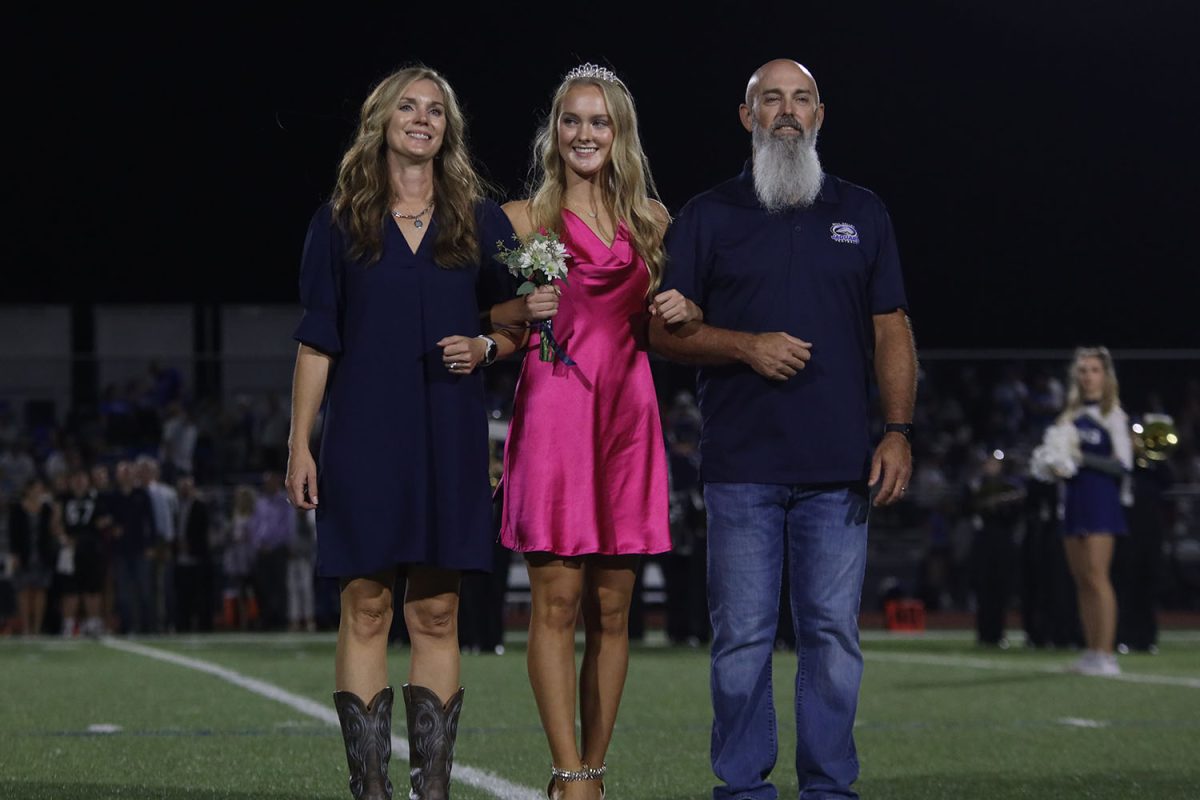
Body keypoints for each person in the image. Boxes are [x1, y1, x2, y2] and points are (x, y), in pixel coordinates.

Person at [648, 59, 917, 799]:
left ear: (821, 114)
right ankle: (742, 788)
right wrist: (745, 345)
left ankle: (829, 787)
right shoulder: (707, 215)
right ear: (748, 117)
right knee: (741, 642)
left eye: (800, 99)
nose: (787, 111)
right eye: (772, 99)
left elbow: (891, 326)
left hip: (839, 469)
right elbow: (661, 334)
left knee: (832, 638)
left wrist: (898, 429)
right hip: (742, 468)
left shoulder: (862, 212)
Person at [285, 63, 536, 800]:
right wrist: (300, 443)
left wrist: (488, 346)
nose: (421, 118)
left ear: (447, 128)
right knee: (365, 605)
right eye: (408, 107)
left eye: (435, 109)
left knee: (437, 608)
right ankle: (371, 789)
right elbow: (316, 339)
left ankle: (432, 791)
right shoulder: (340, 216)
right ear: (382, 121)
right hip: (363, 433)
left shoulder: (478, 218)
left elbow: (523, 318)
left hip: (449, 432)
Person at [495, 62, 701, 799]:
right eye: (572, 120)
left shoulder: (656, 221)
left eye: (599, 121)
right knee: (553, 606)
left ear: (620, 133)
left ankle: (597, 770)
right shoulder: (522, 219)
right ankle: (566, 775)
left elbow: (678, 321)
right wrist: (519, 313)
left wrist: (687, 315)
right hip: (555, 413)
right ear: (555, 130)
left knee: (614, 610)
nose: (585, 133)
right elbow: (487, 321)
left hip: (628, 417)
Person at [1036, 346, 1133, 676]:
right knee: (1081, 580)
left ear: (1105, 376)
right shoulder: (1069, 416)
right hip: (1074, 500)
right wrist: (1053, 465)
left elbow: (1123, 466)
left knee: (1096, 576)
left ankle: (1107, 655)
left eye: (1094, 370)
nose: (1087, 376)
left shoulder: (1113, 415)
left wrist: (1081, 457)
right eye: (1082, 370)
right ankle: (1092, 651)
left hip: (1100, 501)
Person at [8, 477, 61, 635]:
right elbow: (13, 533)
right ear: (28, 489)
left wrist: (56, 510)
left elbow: (54, 529)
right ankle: (26, 627)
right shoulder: (17, 508)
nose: (39, 491)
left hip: (42, 554)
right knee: (23, 590)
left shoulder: (46, 509)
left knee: (40, 590)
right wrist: (14, 554)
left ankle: (37, 628)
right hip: (23, 554)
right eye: (36, 488)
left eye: (41, 489)